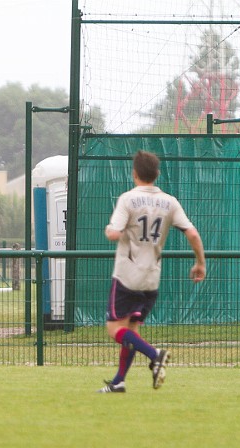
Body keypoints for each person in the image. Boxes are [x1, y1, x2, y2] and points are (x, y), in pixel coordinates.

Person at [98, 150, 206, 393]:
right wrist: (200, 263)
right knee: (131, 330)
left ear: (135, 174)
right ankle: (118, 382)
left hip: (127, 275)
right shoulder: (170, 201)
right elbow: (192, 233)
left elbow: (114, 233)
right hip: (151, 278)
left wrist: (110, 231)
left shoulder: (127, 199)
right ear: (156, 174)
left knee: (115, 329)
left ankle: (154, 354)